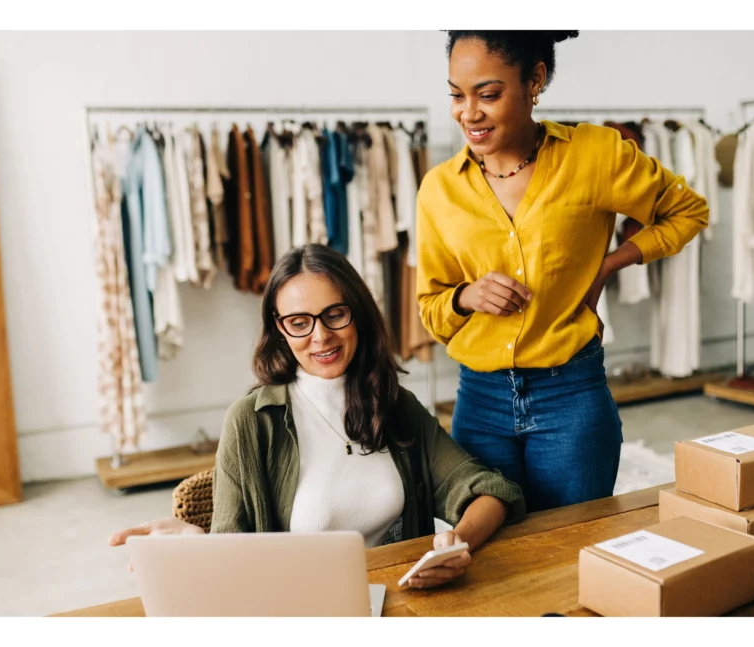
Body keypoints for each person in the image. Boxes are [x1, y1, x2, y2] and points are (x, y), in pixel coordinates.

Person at [110, 244, 525, 590]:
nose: (320, 336)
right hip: (304, 614)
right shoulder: (252, 422)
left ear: (357, 314)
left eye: (334, 314)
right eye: (299, 322)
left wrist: (456, 545)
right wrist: (197, 540)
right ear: (280, 328)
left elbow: (488, 489)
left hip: (403, 605)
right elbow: (231, 553)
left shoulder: (395, 404)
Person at [415, 31, 709, 513]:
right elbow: (431, 308)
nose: (468, 112)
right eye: (456, 94)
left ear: (535, 79)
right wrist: (467, 296)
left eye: (488, 94)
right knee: (492, 559)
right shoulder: (439, 190)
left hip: (570, 396)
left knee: (572, 550)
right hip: (479, 401)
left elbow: (687, 211)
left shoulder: (594, 155)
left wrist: (610, 264)